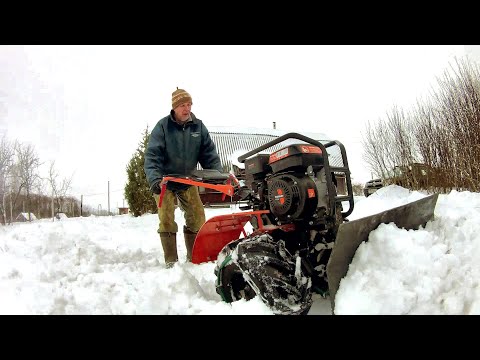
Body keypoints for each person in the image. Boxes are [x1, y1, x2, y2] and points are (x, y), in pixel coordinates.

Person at [144, 88, 223, 268]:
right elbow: (152, 156)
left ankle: (194, 259)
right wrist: (155, 180)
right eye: (182, 105)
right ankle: (171, 262)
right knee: (166, 218)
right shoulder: (163, 127)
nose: (186, 109)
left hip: (187, 180)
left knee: (197, 217)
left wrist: (217, 175)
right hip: (166, 180)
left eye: (189, 105)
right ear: (174, 108)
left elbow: (209, 154)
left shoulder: (198, 126)